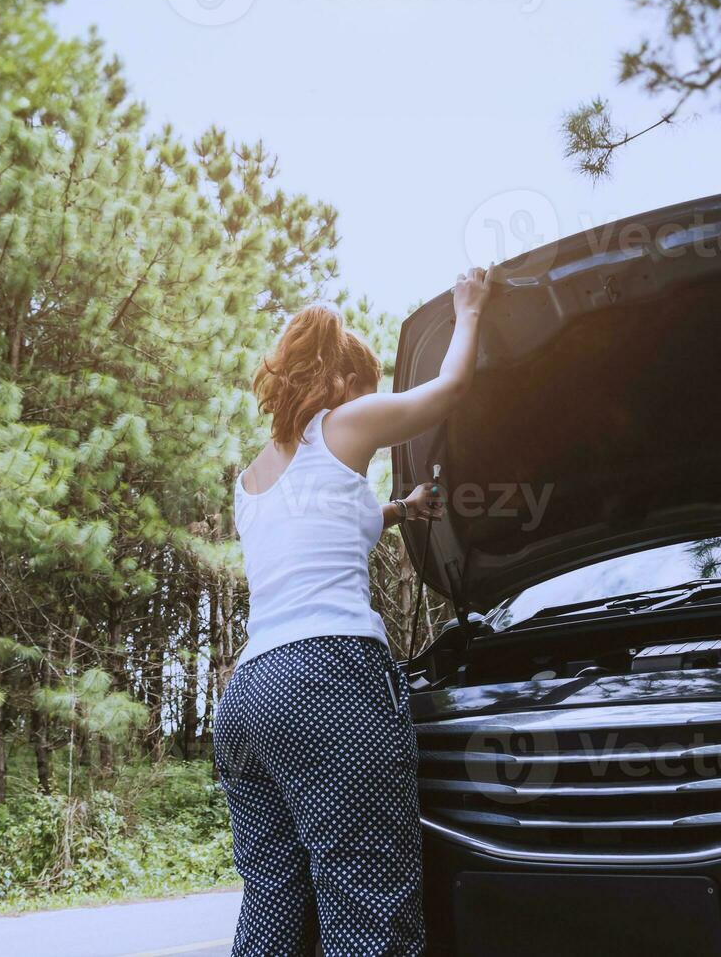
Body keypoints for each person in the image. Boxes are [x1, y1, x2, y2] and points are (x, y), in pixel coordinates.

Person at [214, 267, 492, 955]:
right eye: (364, 386)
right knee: (366, 902)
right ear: (341, 382)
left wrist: (398, 511)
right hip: (323, 680)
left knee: (273, 904)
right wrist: (469, 309)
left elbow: (328, 524)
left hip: (248, 698)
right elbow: (448, 392)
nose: (370, 403)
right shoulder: (344, 421)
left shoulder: (250, 479)